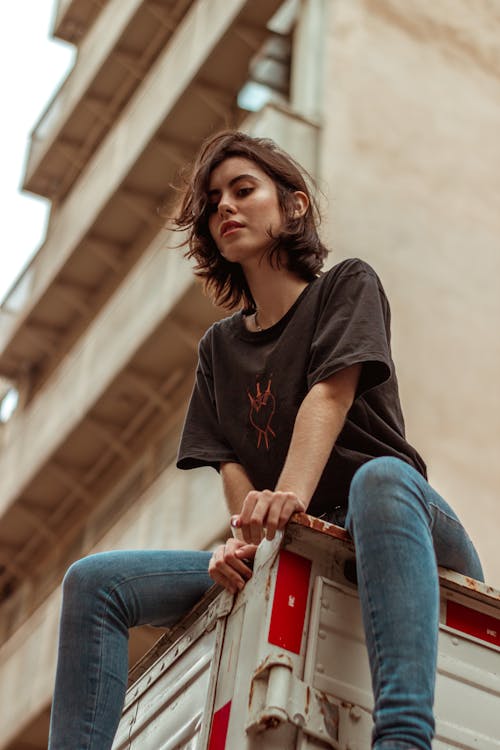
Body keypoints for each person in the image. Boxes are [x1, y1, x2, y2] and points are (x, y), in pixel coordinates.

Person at [48, 131, 483, 750]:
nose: (224, 205)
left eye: (243, 189)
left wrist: (286, 508)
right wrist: (246, 540)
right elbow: (229, 464)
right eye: (214, 200)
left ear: (294, 206)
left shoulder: (347, 286)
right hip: (291, 540)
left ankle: (405, 739)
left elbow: (328, 396)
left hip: (396, 527)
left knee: (379, 479)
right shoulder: (218, 348)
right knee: (94, 582)